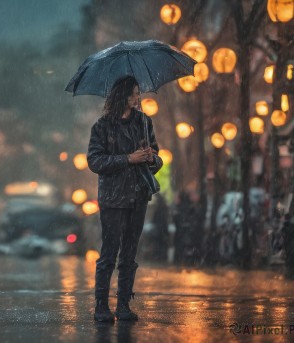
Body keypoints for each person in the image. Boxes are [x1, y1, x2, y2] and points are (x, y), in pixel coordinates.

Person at [87, 76, 163, 322]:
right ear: (121, 95)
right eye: (133, 93)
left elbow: (157, 159)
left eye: (138, 93)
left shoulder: (143, 122)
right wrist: (128, 158)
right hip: (112, 198)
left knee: (130, 254)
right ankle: (101, 305)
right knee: (110, 252)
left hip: (138, 196)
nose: (137, 98)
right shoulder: (102, 127)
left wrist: (151, 158)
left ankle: (123, 305)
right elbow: (95, 161)